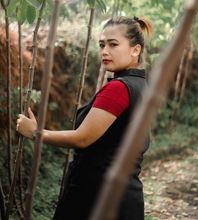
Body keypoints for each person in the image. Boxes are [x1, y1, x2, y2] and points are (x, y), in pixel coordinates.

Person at [16, 16, 153, 220]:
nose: (105, 51)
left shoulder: (118, 88)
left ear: (136, 50)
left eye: (113, 44)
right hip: (124, 196)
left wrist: (36, 133)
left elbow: (83, 138)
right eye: (102, 44)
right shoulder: (142, 86)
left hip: (97, 197)